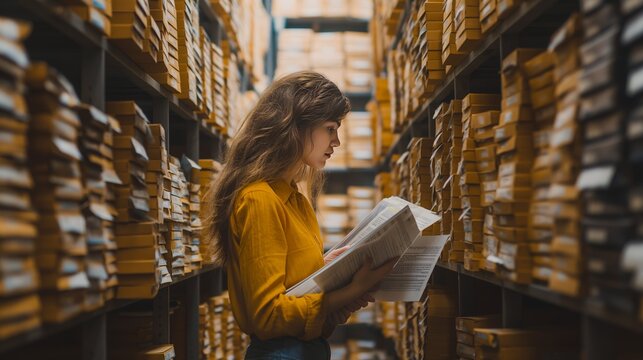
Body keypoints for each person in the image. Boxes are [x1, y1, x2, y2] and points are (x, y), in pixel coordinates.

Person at [203, 71, 396, 359]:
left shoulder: (296, 199)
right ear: (295, 127)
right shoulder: (259, 199)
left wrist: (326, 271)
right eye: (330, 129)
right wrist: (352, 289)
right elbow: (268, 317)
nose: (337, 142)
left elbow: (297, 296)